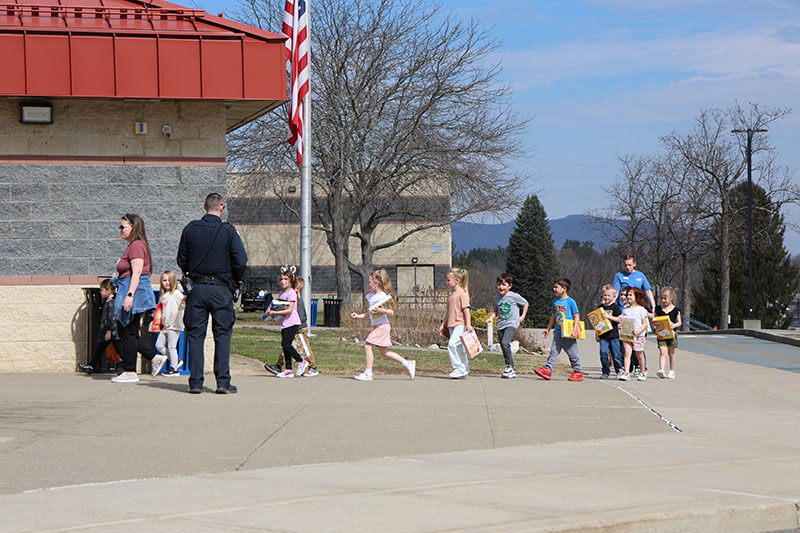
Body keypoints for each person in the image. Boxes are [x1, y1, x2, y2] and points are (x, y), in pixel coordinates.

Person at [177, 193, 247, 394]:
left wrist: (191, 272)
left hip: (197, 289)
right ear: (221, 207)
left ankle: (196, 382)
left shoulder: (190, 229)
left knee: (196, 336)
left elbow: (181, 258)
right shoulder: (228, 231)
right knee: (223, 335)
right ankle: (223, 382)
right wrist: (235, 280)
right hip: (221, 289)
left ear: (204, 206)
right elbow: (241, 260)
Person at [111, 213, 166, 383]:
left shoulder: (136, 246)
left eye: (123, 226)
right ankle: (155, 358)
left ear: (133, 228)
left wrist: (129, 296)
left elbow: (137, 273)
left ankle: (130, 372)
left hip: (135, 294)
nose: (120, 230)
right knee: (129, 332)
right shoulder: (133, 246)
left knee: (127, 332)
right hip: (131, 292)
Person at [351, 269, 416, 381]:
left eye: (370, 282)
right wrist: (358, 316)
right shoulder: (371, 297)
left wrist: (382, 310)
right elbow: (370, 313)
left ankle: (368, 372)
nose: (369, 284)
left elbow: (391, 312)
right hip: (377, 326)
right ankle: (407, 363)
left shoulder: (382, 297)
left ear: (376, 283)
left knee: (367, 346)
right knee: (384, 352)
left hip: (383, 326)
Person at [265, 276, 319, 377]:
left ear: (297, 288)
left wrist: (298, 328)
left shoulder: (297, 301)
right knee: (286, 347)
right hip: (290, 326)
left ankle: (313, 366)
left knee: (304, 348)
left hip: (300, 328)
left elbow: (301, 316)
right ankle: (280, 366)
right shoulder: (289, 297)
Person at [534, 278, 584, 382]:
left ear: (564, 288)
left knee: (573, 353)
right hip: (557, 332)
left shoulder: (570, 302)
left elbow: (576, 316)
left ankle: (578, 372)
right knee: (553, 352)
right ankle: (547, 369)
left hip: (568, 333)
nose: (554, 289)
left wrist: (575, 330)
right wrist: (548, 329)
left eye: (556, 287)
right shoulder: (555, 302)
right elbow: (553, 316)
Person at [486, 272, 528, 379]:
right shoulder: (496, 298)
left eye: (504, 285)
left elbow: (526, 303)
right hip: (501, 324)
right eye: (499, 284)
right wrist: (491, 317)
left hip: (512, 323)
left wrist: (522, 316)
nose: (501, 287)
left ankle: (510, 366)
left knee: (505, 342)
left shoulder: (514, 296)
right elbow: (496, 311)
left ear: (510, 286)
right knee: (503, 346)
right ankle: (510, 368)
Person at [79, 278, 120, 374]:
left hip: (111, 332)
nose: (101, 292)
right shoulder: (108, 302)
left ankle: (127, 368)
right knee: (100, 349)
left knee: (119, 349)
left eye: (102, 290)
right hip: (106, 332)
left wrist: (109, 331)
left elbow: (111, 318)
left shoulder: (111, 303)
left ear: (109, 291)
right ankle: (91, 365)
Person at [439, 268, 472, 379]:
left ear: (457, 280)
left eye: (449, 280)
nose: (447, 282)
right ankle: (464, 370)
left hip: (460, 324)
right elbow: (448, 312)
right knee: (459, 348)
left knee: (452, 345)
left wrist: (468, 324)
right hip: (452, 325)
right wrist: (443, 324)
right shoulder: (452, 295)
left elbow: (466, 310)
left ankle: (459, 368)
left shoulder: (462, 293)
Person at [155, 270, 185, 377]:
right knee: (158, 345)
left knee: (172, 346)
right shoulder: (163, 296)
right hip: (166, 325)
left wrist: (185, 300)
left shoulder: (176, 293)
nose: (167, 282)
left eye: (169, 280)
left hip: (175, 325)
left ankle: (174, 368)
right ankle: (176, 361)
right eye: (164, 280)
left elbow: (183, 302)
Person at [618, 287, 650, 381]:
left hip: (639, 335)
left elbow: (644, 323)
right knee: (627, 352)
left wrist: (639, 330)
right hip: (627, 335)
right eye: (627, 295)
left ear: (637, 296)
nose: (628, 297)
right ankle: (626, 372)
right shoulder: (625, 310)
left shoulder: (641, 310)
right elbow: (623, 321)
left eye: (630, 295)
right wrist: (620, 326)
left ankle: (643, 371)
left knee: (639, 353)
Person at [654, 287, 682, 379]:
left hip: (672, 334)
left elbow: (679, 322)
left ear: (671, 298)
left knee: (671, 353)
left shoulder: (676, 310)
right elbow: (655, 320)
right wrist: (655, 326)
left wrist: (674, 325)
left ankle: (671, 371)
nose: (663, 300)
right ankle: (661, 369)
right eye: (661, 298)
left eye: (665, 298)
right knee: (662, 351)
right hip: (661, 334)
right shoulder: (658, 309)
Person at [596, 284, 623, 378]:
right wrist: (597, 335)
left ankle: (619, 370)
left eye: (609, 295)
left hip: (614, 335)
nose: (606, 297)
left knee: (616, 354)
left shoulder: (615, 307)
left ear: (614, 297)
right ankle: (605, 371)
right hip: (603, 335)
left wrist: (609, 317)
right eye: (605, 295)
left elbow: (620, 319)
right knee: (603, 353)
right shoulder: (600, 307)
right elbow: (597, 322)